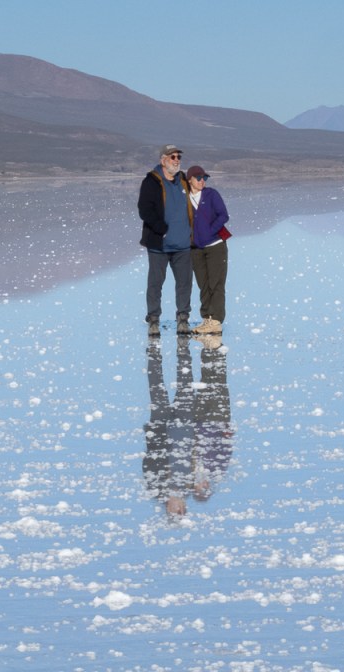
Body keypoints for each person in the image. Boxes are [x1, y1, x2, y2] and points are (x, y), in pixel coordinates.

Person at [142, 335, 233, 518]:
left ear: (169, 509)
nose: (181, 508)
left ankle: (154, 351)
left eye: (177, 511)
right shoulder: (190, 484)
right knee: (187, 382)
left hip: (161, 428)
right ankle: (184, 348)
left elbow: (149, 462)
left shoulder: (156, 489)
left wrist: (157, 440)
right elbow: (200, 454)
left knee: (157, 385)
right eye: (183, 510)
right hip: (187, 426)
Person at [137, 145, 192, 337]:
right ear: (163, 160)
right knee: (155, 284)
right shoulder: (151, 181)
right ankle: (153, 320)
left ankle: (183, 319)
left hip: (183, 245)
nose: (176, 160)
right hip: (159, 245)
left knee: (184, 284)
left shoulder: (183, 180)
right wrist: (161, 229)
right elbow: (144, 209)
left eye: (178, 157)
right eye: (172, 157)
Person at [185, 165, 229, 335]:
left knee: (216, 284)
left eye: (204, 178)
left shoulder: (211, 194)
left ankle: (215, 321)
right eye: (198, 178)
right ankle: (206, 319)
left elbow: (223, 215)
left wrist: (209, 232)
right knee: (203, 284)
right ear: (190, 180)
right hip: (195, 249)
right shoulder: (184, 199)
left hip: (215, 245)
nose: (202, 181)